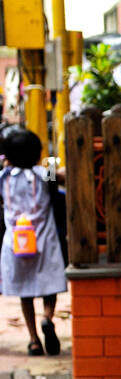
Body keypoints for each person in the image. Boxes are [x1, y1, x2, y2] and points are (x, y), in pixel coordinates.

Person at [1, 127, 65, 357]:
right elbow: (62, 177)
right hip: (44, 241)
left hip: (16, 243)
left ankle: (34, 340)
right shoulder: (44, 173)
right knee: (50, 286)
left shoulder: (5, 178)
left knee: (24, 291)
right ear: (37, 154)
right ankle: (47, 317)